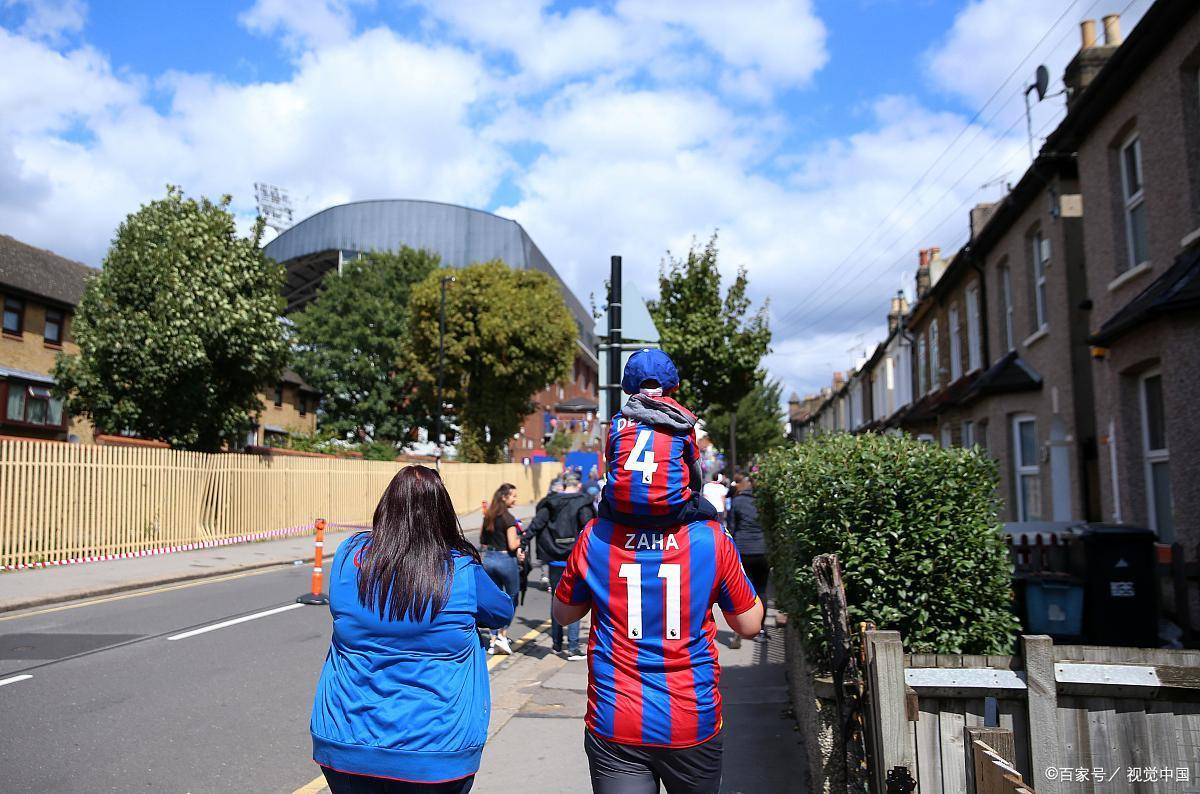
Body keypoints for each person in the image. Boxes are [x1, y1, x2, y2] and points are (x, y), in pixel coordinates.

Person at [310, 466, 514, 793]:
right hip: (437, 746)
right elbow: (501, 610)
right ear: (443, 512)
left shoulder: (349, 555)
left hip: (346, 737)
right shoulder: (459, 567)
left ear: (386, 506)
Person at [552, 514, 765, 794]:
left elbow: (563, 614)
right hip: (690, 715)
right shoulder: (712, 538)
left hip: (615, 715)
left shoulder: (595, 535)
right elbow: (748, 625)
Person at [599, 348, 717, 529]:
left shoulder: (617, 421)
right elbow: (695, 475)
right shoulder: (682, 422)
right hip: (671, 511)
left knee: (602, 510)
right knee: (712, 516)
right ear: (673, 385)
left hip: (621, 511)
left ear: (629, 385)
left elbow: (610, 467)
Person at [529, 468, 595, 660]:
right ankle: (573, 647)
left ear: (564, 484)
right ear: (579, 484)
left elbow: (536, 525)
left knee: (556, 599)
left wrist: (524, 541)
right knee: (575, 599)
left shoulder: (550, 502)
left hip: (553, 558)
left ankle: (557, 644)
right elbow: (589, 530)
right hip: (574, 559)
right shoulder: (583, 502)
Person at [727, 474, 770, 649]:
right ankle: (760, 629)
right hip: (762, 550)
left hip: (743, 550)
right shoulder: (763, 503)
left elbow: (731, 526)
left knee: (744, 590)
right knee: (762, 590)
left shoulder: (737, 502)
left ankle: (739, 629)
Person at [480, 483, 523, 655]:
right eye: (513, 496)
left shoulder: (488, 515)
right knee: (511, 597)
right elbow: (513, 545)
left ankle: (492, 638)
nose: (515, 499)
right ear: (504, 497)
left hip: (489, 559)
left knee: (493, 599)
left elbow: (483, 539)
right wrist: (522, 537)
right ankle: (502, 636)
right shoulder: (508, 518)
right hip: (505, 560)